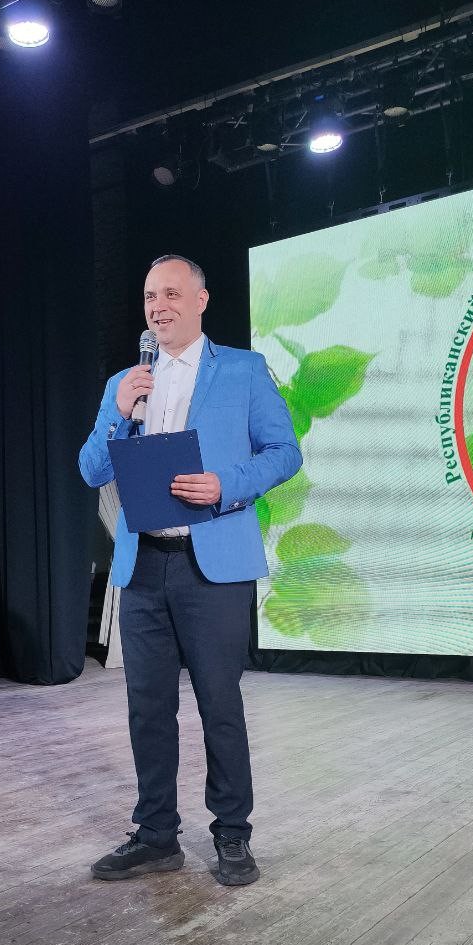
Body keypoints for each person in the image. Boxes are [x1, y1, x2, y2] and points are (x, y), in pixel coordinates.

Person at [78, 254, 302, 886]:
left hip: (214, 569)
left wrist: (226, 484)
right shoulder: (126, 382)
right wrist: (120, 409)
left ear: (202, 301)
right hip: (144, 565)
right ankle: (156, 836)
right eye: (151, 296)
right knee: (147, 709)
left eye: (172, 294)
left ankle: (232, 832)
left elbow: (285, 452)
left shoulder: (243, 370)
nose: (159, 306)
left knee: (219, 705)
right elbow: (91, 470)